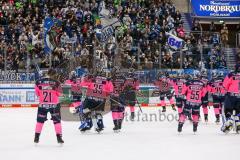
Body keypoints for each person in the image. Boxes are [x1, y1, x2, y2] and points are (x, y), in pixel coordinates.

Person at [34, 69, 64, 144]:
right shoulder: (56, 83)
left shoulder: (38, 82)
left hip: (42, 105)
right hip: (54, 105)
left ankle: (36, 137)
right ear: (54, 74)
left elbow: (37, 94)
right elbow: (60, 94)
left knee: (40, 121)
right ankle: (59, 138)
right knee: (57, 122)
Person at [222, 64, 240, 133]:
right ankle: (238, 123)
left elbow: (225, 84)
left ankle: (229, 120)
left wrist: (226, 90)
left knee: (228, 110)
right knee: (238, 111)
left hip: (231, 95)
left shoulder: (231, 74)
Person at [110, 67, 127, 132]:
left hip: (114, 96)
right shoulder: (123, 78)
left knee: (114, 110)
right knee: (121, 110)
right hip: (122, 96)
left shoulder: (112, 78)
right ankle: (119, 124)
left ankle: (116, 125)